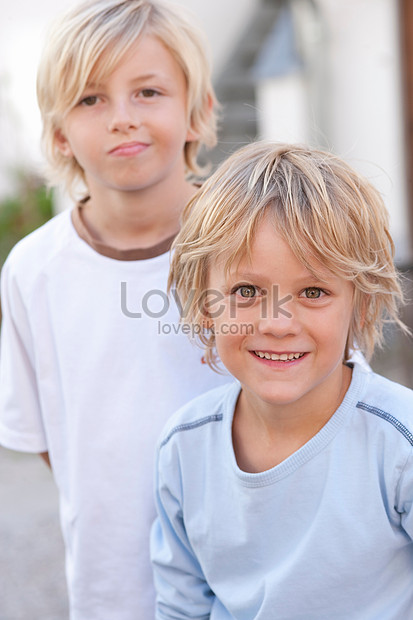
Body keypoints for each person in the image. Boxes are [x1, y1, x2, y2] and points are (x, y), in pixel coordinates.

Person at [0, 1, 231, 618]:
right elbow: (51, 437)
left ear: (198, 110)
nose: (122, 119)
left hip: (255, 579)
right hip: (114, 591)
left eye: (148, 91)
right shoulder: (33, 271)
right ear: (58, 134)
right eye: (90, 100)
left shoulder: (252, 246)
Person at [151, 141, 413, 619]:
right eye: (246, 291)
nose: (278, 322)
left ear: (361, 301)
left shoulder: (399, 445)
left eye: (313, 291)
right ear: (203, 303)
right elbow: (181, 604)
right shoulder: (183, 449)